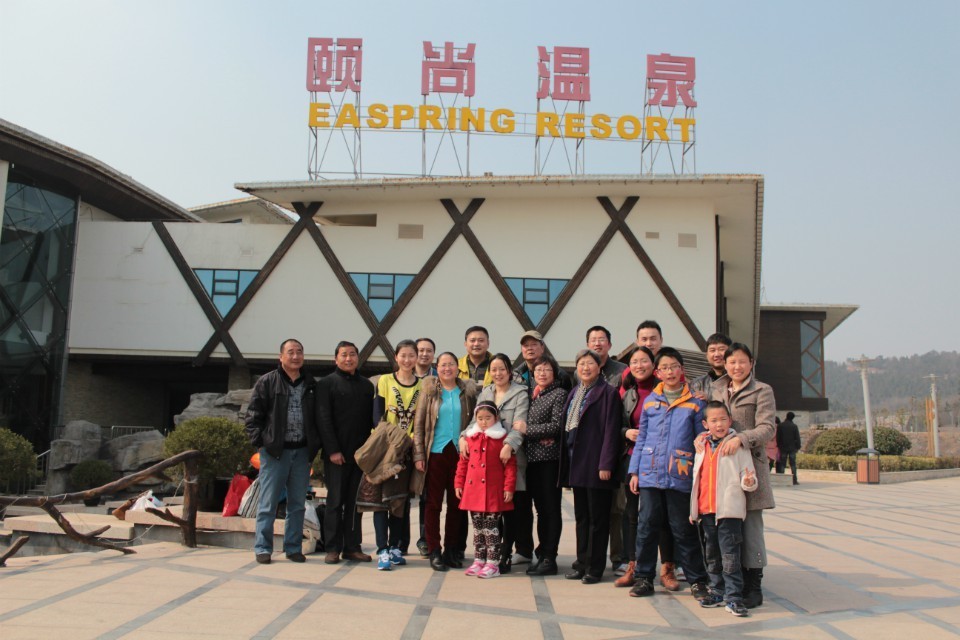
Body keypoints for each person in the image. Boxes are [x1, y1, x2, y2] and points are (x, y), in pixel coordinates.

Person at [627, 347, 710, 599]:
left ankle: (697, 580)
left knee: (683, 528)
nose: (670, 371)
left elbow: (701, 441)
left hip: (680, 474)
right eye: (664, 367)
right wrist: (634, 471)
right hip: (650, 473)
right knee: (646, 526)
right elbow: (642, 438)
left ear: (681, 369)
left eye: (674, 366)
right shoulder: (651, 401)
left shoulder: (695, 403)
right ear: (657, 372)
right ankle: (644, 578)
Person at [709, 343, 777, 609]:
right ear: (725, 365)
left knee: (751, 527)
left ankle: (753, 585)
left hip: (750, 466)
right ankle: (729, 583)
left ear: (751, 364)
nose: (736, 367)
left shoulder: (762, 390)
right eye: (732, 362)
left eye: (742, 361)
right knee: (726, 526)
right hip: (721, 468)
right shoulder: (716, 389)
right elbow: (710, 420)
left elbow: (767, 427)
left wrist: (741, 438)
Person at [244, 338, 321, 564]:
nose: (295, 356)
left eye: (299, 352)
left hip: (302, 452)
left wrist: (314, 446)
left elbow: (318, 417)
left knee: (297, 504)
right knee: (268, 503)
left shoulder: (311, 384)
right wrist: (262, 444)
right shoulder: (268, 381)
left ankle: (293, 547)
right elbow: (253, 416)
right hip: (275, 453)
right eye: (290, 352)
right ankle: (263, 548)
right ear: (281, 356)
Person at [690, 401, 758, 617]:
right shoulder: (702, 446)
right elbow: (697, 480)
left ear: (730, 421)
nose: (718, 424)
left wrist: (748, 481)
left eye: (722, 419)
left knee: (730, 556)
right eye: (713, 420)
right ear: (705, 424)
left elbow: (748, 477)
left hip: (729, 512)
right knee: (712, 555)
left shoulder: (737, 446)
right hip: (706, 511)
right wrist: (694, 511)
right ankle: (717, 591)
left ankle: (734, 597)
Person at [413, 352, 480, 571]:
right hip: (435, 452)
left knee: (456, 504)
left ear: (457, 368)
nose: (447, 368)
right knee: (432, 504)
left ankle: (452, 549)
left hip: (461, 454)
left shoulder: (466, 392)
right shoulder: (429, 392)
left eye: (451, 364)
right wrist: (419, 455)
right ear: (437, 367)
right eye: (443, 365)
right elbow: (419, 425)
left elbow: (474, 421)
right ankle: (434, 549)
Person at [562, 349, 622, 584]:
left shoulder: (608, 393)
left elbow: (611, 431)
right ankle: (581, 563)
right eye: (581, 364)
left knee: (598, 519)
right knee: (582, 517)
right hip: (577, 463)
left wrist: (606, 463)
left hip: (596, 464)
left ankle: (595, 568)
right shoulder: (576, 392)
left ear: (599, 367)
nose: (585, 368)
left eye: (590, 363)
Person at [471, 353, 531, 572]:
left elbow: (520, 423)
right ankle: (490, 555)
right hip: (486, 460)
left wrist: (509, 445)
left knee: (510, 509)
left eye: (502, 369)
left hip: (510, 457)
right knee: (490, 511)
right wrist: (464, 436)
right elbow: (475, 421)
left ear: (509, 371)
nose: (498, 373)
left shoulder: (520, 393)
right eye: (494, 369)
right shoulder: (486, 392)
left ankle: (505, 554)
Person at [317, 341, 375, 564]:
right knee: (335, 502)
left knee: (355, 503)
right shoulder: (326, 384)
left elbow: (371, 421)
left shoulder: (366, 386)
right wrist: (332, 450)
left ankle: (352, 547)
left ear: (358, 358)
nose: (348, 358)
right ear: (336, 359)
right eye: (344, 355)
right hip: (336, 456)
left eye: (352, 354)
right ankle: (332, 548)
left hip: (359, 456)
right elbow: (323, 419)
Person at [371, 339, 422, 568]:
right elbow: (377, 414)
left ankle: (395, 546)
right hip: (385, 448)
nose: (407, 360)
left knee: (400, 500)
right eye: (403, 355)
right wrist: (391, 438)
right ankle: (382, 548)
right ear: (396, 357)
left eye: (412, 355)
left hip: (408, 450)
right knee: (381, 501)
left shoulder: (423, 385)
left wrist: (410, 441)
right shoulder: (385, 381)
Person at [582, 326, 628, 573]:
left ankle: (619, 557)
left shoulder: (622, 371)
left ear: (610, 344)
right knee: (592, 512)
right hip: (590, 453)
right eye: (593, 340)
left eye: (602, 339)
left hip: (617, 446)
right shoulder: (582, 374)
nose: (597, 343)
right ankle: (590, 558)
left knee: (617, 508)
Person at [455, 401, 518, 579]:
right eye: (480, 418)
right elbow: (463, 463)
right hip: (473, 490)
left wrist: (509, 488)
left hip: (492, 491)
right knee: (477, 528)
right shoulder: (470, 438)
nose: (484, 422)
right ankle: (479, 559)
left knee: (491, 529)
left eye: (488, 418)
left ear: (496, 418)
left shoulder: (502, 439)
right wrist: (458, 483)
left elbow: (510, 466)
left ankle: (493, 563)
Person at [613, 346, 657, 587]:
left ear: (653, 364)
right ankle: (633, 564)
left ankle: (668, 566)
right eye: (635, 362)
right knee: (631, 513)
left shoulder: (663, 390)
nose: (639, 366)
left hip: (658, 459)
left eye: (644, 361)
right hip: (632, 457)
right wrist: (625, 432)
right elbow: (616, 424)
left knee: (657, 515)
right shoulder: (628, 394)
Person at [523, 355, 566, 576]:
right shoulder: (532, 394)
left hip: (549, 460)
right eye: (538, 370)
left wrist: (527, 430)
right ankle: (542, 552)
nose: (542, 373)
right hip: (531, 460)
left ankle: (550, 556)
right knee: (540, 510)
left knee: (550, 509)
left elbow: (557, 426)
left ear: (555, 373)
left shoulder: (559, 394)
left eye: (547, 369)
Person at [690, 333, 732, 397]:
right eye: (712, 350)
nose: (717, 354)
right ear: (707, 355)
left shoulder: (738, 381)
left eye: (721, 349)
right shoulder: (697, 384)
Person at [776, 412, 802, 484]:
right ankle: (794, 480)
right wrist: (798, 446)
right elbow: (797, 437)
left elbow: (778, 437)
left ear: (786, 416)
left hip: (783, 447)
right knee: (793, 464)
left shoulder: (780, 425)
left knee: (782, 464)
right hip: (792, 448)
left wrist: (778, 445)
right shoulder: (794, 426)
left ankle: (781, 480)